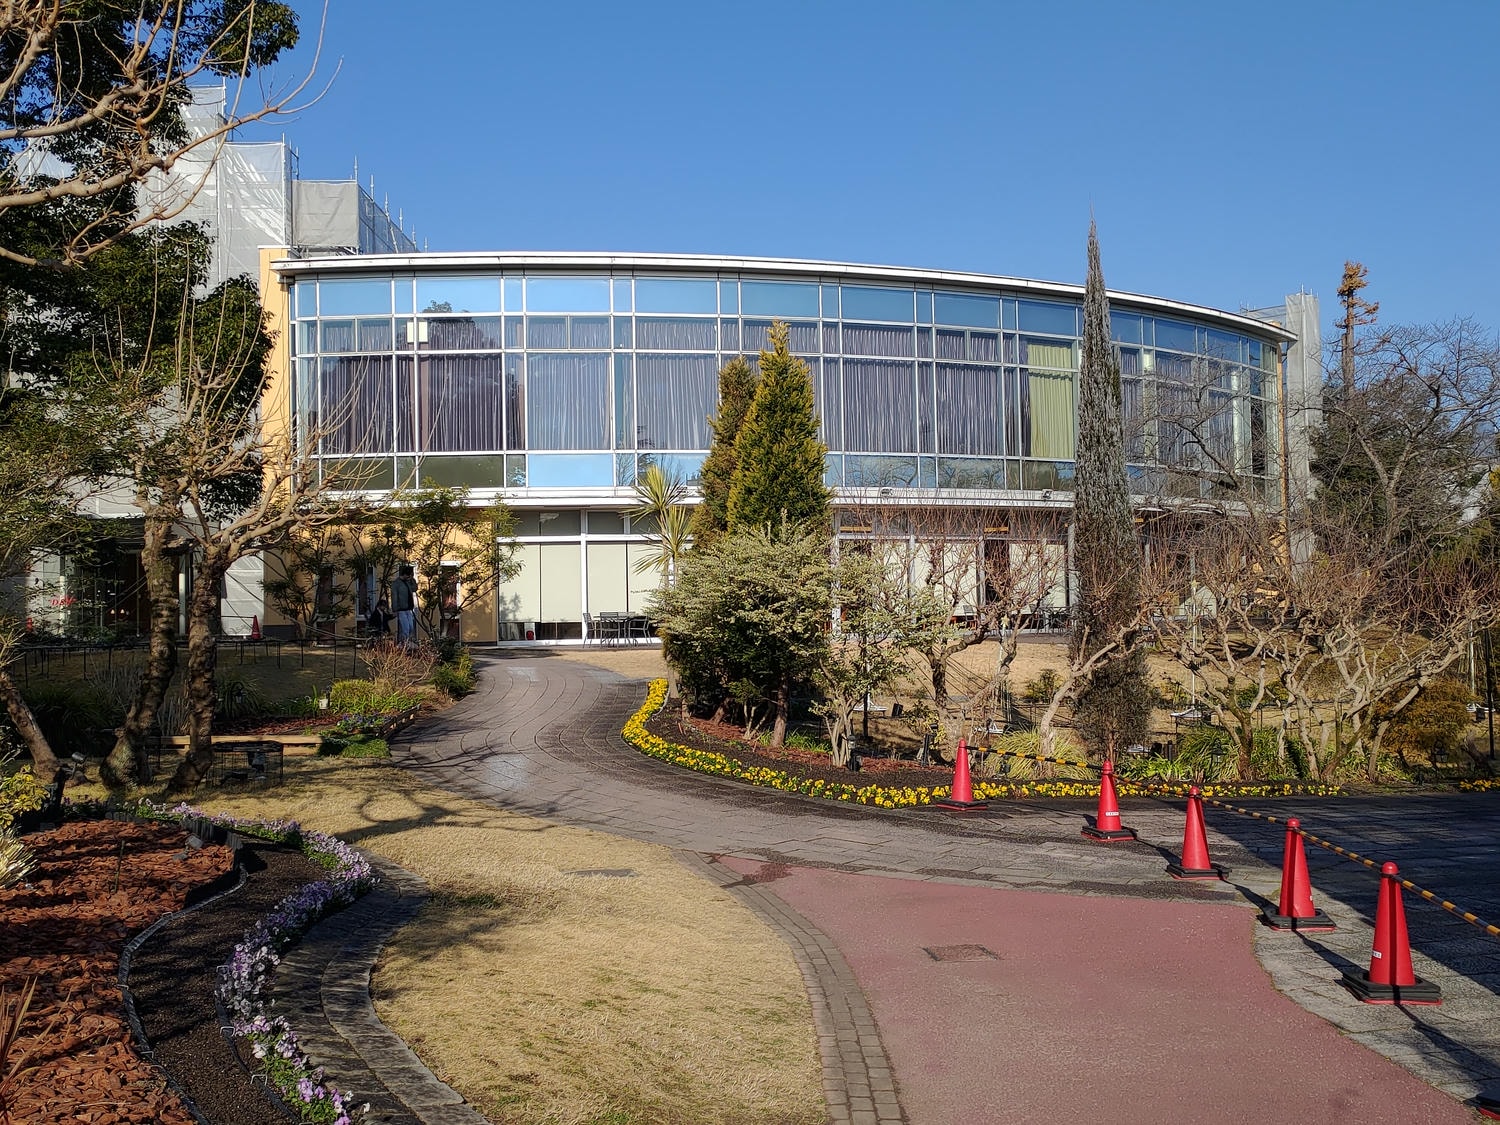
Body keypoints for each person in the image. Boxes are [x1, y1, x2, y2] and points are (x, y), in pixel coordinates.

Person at [392, 565, 418, 644]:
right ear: (405, 575)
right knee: (405, 628)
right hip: (401, 609)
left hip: (408, 608)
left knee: (411, 627)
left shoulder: (408, 582)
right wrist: (395, 609)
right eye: (408, 575)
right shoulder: (397, 584)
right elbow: (394, 596)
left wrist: (412, 579)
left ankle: (406, 641)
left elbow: (415, 588)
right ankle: (404, 643)